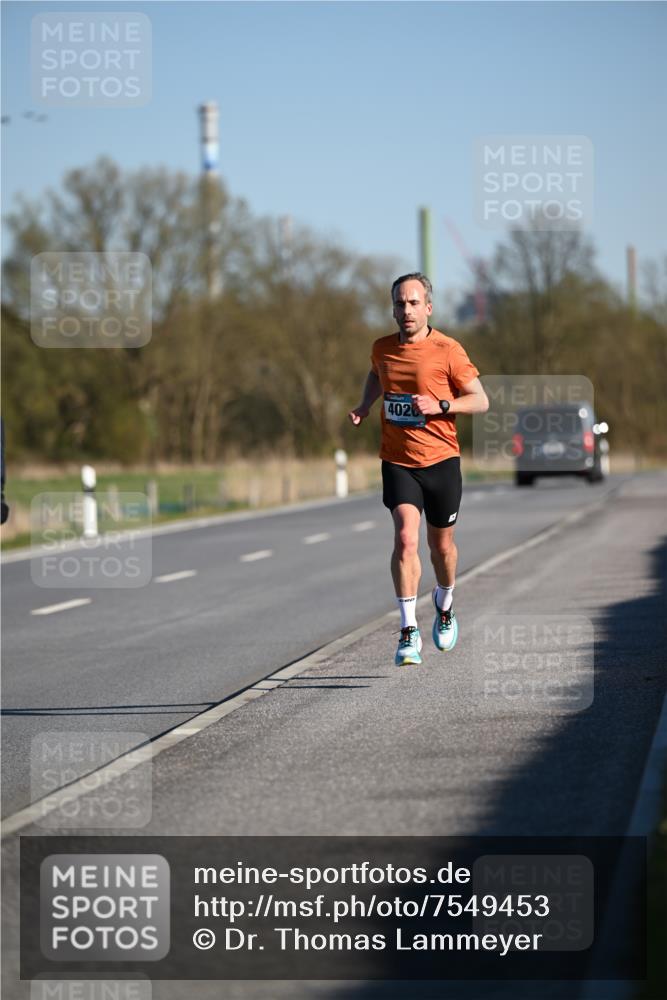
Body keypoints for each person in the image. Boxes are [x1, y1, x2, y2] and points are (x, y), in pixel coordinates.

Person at [348, 273, 488, 666]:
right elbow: (378, 374)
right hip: (398, 460)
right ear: (392, 308)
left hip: (441, 461)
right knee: (406, 538)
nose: (406, 311)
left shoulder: (448, 350)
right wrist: (365, 405)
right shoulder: (381, 348)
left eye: (413, 303)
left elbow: (480, 401)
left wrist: (442, 406)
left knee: (440, 547)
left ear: (428, 307)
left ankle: (444, 604)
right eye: (399, 304)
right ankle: (408, 630)